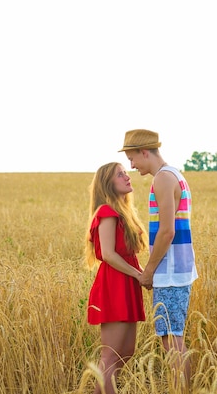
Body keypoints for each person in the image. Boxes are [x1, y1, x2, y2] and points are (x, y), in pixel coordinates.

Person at [119, 129, 198, 392]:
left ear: (145, 152)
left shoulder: (163, 179)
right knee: (171, 336)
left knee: (171, 339)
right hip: (177, 269)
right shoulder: (173, 175)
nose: (131, 165)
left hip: (171, 271)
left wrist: (149, 271)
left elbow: (167, 231)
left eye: (133, 158)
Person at [84, 162, 149, 394]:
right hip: (115, 284)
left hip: (127, 282)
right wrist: (139, 275)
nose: (127, 176)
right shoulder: (106, 212)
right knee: (110, 355)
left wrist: (143, 274)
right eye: (120, 175)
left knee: (126, 352)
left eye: (126, 173)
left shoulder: (124, 213)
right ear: (108, 184)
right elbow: (110, 255)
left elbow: (128, 254)